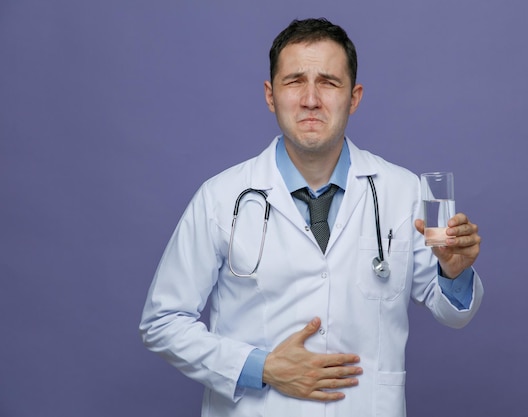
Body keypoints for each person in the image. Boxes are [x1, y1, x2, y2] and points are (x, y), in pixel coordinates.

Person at [140, 17, 483, 417]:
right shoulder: (220, 197)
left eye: (328, 82)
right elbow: (161, 322)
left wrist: (454, 275)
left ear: (354, 97)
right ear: (270, 95)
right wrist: (261, 367)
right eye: (294, 82)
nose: (310, 99)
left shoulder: (401, 191)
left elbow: (451, 314)